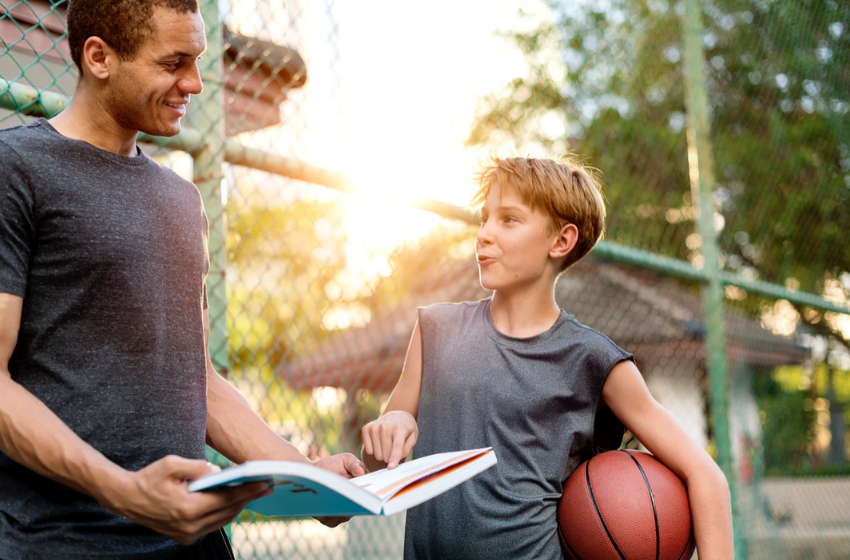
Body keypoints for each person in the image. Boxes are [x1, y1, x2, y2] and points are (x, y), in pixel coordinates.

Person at [0, 1, 363, 558]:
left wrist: (307, 475)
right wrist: (123, 491)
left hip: (194, 543)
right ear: (99, 57)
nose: (193, 83)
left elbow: (202, 383)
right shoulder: (16, 169)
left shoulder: (181, 198)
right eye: (173, 63)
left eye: (197, 61)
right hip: (62, 544)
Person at [360, 156, 734, 559]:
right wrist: (389, 426)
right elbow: (377, 466)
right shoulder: (435, 330)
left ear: (561, 241)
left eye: (508, 220)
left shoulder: (594, 360)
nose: (484, 234)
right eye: (484, 218)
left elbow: (706, 477)